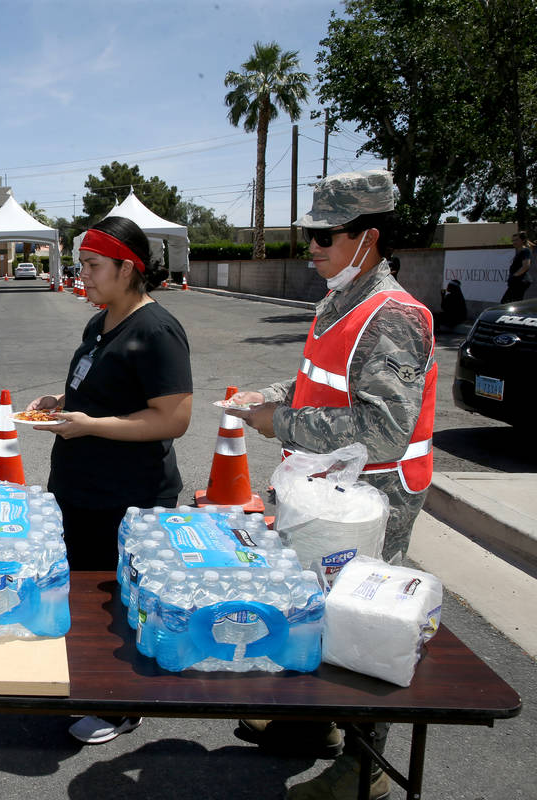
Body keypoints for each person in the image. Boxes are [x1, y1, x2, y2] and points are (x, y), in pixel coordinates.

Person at [226, 170, 436, 800]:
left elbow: (385, 427)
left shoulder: (394, 316)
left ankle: (366, 766)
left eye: (324, 234)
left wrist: (280, 422)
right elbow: (321, 382)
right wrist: (268, 397)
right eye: (309, 233)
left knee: (364, 622)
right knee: (314, 606)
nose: (312, 246)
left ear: (367, 238)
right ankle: (311, 727)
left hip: (375, 504)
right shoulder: (338, 299)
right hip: (325, 495)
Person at [25, 216, 192, 745]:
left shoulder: (157, 330)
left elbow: (173, 417)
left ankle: (122, 705)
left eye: (94, 266)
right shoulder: (101, 323)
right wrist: (63, 402)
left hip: (128, 496)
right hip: (82, 489)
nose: (85, 276)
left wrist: (91, 425)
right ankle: (92, 684)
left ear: (129, 268)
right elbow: (101, 386)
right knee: (85, 596)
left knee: (117, 602)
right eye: (82, 266)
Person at [501, 230, 532, 303]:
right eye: (513, 240)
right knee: (511, 302)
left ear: (523, 240)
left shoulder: (525, 251)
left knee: (507, 302)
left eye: (516, 240)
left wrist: (514, 276)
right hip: (516, 282)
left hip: (520, 281)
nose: (514, 242)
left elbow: (526, 266)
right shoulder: (519, 251)